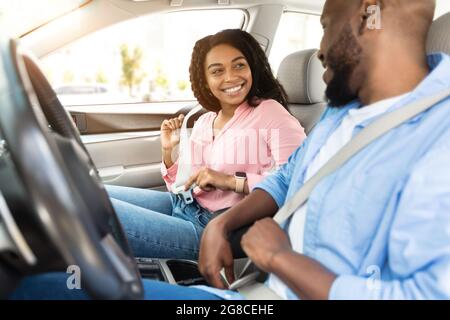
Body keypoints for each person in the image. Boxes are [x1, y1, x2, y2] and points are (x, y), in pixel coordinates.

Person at [11, 0, 450, 300]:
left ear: (370, 11)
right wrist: (222, 226)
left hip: (267, 286)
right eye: (215, 70)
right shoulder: (342, 114)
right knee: (48, 278)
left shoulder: (437, 140)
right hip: (243, 281)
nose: (318, 52)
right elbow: (286, 177)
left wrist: (280, 257)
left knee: (37, 286)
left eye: (325, 24)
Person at [105, 29, 306, 260]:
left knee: (97, 213)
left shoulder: (270, 112)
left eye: (239, 65)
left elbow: (298, 181)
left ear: (253, 67)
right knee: (93, 194)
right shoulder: (205, 120)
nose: (230, 77)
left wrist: (230, 181)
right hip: (182, 203)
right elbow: (184, 184)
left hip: (212, 227)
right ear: (206, 80)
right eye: (217, 71)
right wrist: (169, 152)